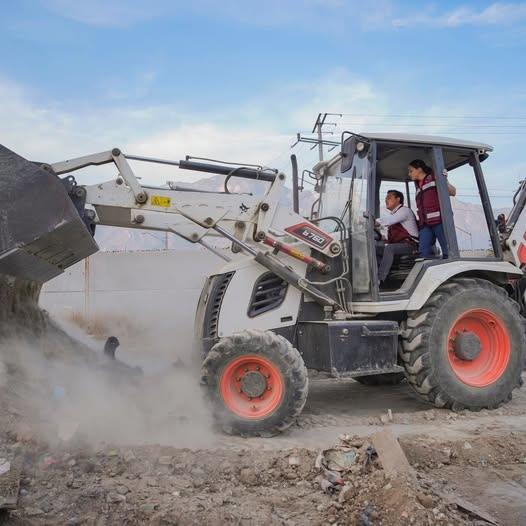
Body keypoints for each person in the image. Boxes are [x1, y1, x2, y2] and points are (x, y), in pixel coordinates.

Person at [408, 159, 456, 259]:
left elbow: (453, 192)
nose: (409, 174)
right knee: (423, 251)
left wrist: (444, 179)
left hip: (439, 221)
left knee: (448, 249)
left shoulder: (434, 177)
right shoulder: (417, 186)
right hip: (425, 224)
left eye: (411, 170)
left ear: (419, 169)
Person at [375, 190, 419, 283]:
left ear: (398, 199)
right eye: (386, 198)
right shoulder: (395, 214)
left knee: (390, 248)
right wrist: (380, 237)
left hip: (411, 245)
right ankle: (378, 273)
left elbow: (389, 220)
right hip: (400, 244)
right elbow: (391, 235)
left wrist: (373, 222)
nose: (386, 200)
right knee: (375, 247)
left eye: (389, 198)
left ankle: (379, 279)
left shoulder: (404, 211)